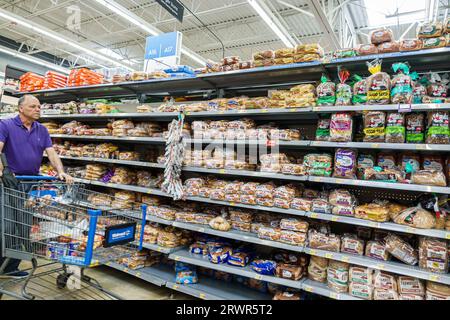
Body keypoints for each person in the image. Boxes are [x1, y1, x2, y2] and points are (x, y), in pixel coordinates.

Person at [0, 94, 73, 279]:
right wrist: (3, 172)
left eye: (39, 106)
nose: (38, 109)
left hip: (30, 183)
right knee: (7, 225)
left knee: (22, 225)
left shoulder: (42, 130)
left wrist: (61, 171)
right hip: (9, 182)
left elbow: (52, 154)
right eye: (33, 106)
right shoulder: (6, 125)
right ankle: (3, 264)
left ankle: (10, 266)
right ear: (21, 108)